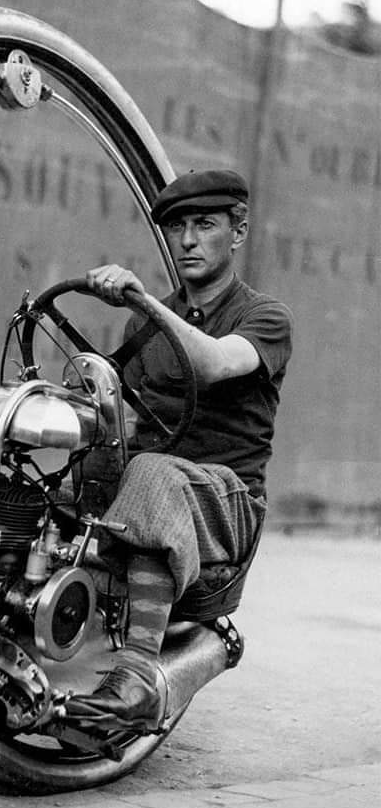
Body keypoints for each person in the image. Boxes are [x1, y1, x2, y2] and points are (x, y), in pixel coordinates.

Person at [66, 168, 293, 731]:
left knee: (150, 471)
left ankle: (140, 674)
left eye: (205, 225)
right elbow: (107, 411)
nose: (188, 239)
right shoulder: (144, 332)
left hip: (227, 505)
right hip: (159, 490)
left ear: (237, 232)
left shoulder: (264, 317)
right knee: (45, 483)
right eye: (176, 227)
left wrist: (145, 304)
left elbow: (214, 362)